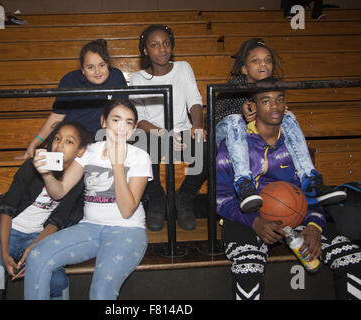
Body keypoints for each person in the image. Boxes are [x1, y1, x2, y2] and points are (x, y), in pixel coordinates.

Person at [216, 78, 361, 300]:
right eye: (266, 101)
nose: (274, 106)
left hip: (298, 214)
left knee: (352, 259)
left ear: (286, 105)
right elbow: (221, 199)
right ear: (252, 107)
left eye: (280, 100)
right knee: (248, 267)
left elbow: (311, 192)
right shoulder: (234, 145)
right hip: (246, 218)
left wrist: (314, 225)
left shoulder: (295, 144)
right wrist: (255, 222)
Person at [24, 99, 152, 300]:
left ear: (134, 128)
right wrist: (47, 175)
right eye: (115, 120)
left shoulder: (139, 156)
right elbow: (60, 191)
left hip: (127, 230)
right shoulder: (89, 151)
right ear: (103, 122)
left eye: (128, 122)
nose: (121, 127)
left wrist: (117, 164)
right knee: (36, 257)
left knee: (101, 293)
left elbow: (127, 210)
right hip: (90, 227)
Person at [214, 38, 345, 213]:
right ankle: (244, 184)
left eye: (268, 60)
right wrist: (243, 114)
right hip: (229, 134)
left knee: (288, 116)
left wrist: (276, 109)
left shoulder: (273, 86)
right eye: (256, 60)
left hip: (258, 137)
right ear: (244, 69)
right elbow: (214, 118)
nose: (263, 64)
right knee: (234, 120)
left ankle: (310, 181)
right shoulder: (234, 87)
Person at [0, 121, 93, 300]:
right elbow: (7, 209)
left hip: (38, 237)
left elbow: (57, 221)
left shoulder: (76, 179)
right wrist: (4, 254)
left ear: (80, 151)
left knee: (57, 282)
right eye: (57, 138)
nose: (60, 144)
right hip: (3, 233)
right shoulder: (32, 166)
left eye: (69, 141)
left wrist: (35, 247)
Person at [130, 24, 207, 231]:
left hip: (182, 133)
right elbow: (139, 118)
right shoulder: (137, 78)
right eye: (154, 45)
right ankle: (157, 198)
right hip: (154, 135)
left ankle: (184, 197)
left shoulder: (183, 67)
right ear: (145, 50)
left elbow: (194, 100)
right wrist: (164, 133)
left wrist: (198, 126)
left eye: (166, 43)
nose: (162, 49)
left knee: (208, 146)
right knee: (138, 144)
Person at [17, 39, 127, 160]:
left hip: (100, 140)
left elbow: (121, 115)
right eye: (90, 67)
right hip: (70, 138)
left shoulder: (116, 78)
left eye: (102, 65)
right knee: (35, 166)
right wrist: (34, 144)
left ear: (108, 65)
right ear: (83, 70)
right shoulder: (70, 80)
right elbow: (57, 116)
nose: (97, 71)